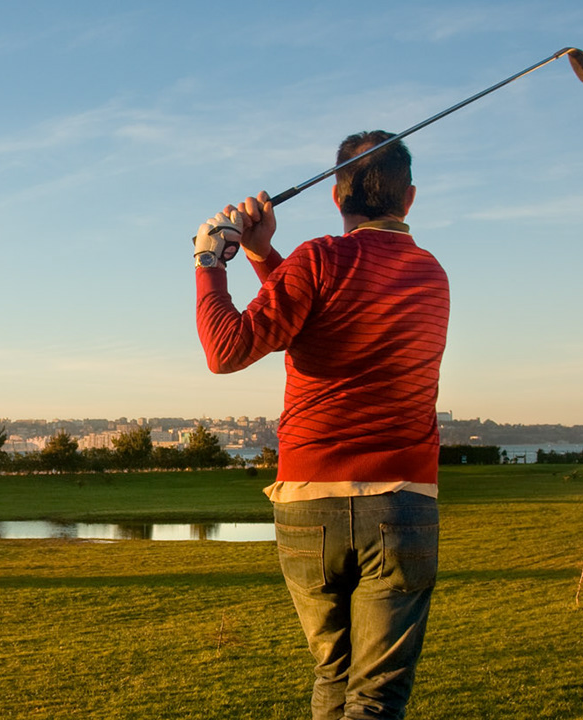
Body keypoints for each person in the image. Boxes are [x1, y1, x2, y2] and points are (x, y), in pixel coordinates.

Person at [192, 130, 449, 720]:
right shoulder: (431, 275)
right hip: (402, 503)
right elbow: (325, 312)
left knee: (333, 677)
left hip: (308, 503)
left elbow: (230, 348)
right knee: (375, 697)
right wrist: (262, 256)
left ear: (337, 197)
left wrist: (212, 258)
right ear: (409, 199)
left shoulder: (316, 260)